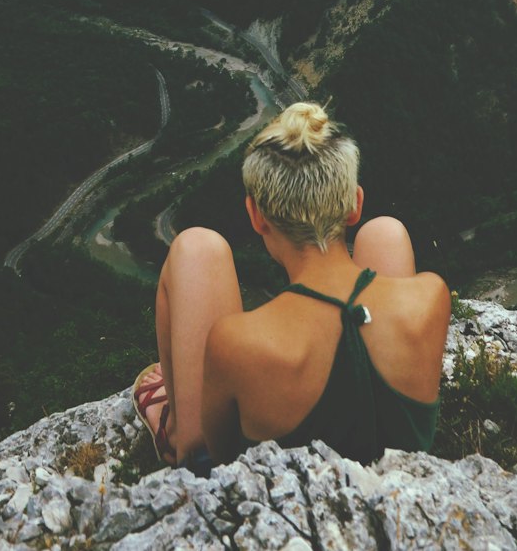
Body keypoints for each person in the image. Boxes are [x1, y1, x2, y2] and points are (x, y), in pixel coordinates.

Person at [133, 101, 451, 475]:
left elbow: (214, 453)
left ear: (256, 216)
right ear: (355, 205)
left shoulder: (235, 342)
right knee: (387, 232)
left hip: (285, 497)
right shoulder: (431, 295)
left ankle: (171, 428)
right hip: (396, 483)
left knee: (195, 247)